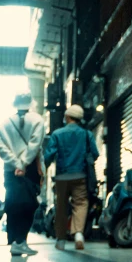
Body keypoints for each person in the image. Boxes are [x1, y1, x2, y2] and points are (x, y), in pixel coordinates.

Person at [44, 104, 99, 251]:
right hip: (81, 174)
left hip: (62, 176)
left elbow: (48, 155)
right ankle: (78, 234)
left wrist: (44, 169)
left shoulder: (57, 134)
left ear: (68, 117)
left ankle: (61, 240)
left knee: (61, 207)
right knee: (80, 203)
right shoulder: (87, 135)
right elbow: (95, 153)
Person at [0, 91, 45, 257]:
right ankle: (20, 242)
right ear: (31, 103)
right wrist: (23, 164)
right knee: (29, 204)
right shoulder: (37, 120)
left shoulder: (4, 124)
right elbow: (35, 144)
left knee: (13, 204)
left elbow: (1, 148)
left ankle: (16, 241)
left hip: (10, 170)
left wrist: (16, 164)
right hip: (30, 169)